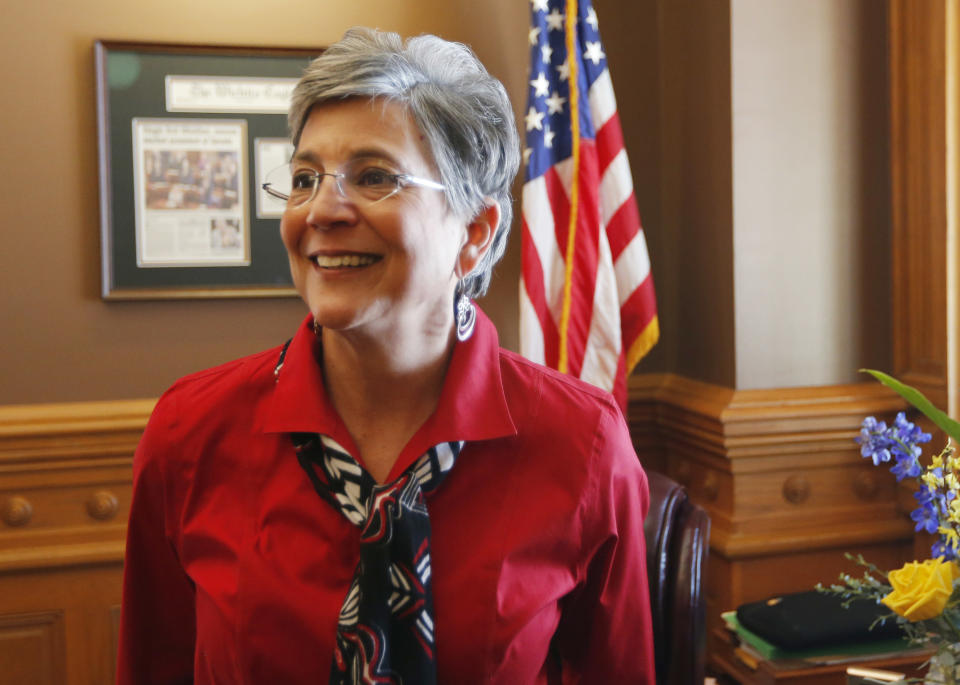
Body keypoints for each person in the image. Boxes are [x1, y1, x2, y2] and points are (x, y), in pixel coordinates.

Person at [117, 27, 655, 685]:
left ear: (475, 233)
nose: (322, 209)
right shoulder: (189, 433)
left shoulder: (583, 444)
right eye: (304, 177)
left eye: (373, 175)